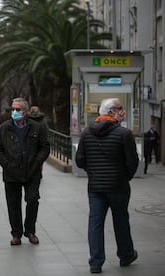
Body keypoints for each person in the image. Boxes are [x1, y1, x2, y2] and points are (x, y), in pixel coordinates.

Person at [75, 98, 139, 273]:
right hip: (119, 186)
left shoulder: (87, 133)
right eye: (120, 108)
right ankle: (126, 255)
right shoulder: (124, 134)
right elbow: (132, 162)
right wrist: (125, 176)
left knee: (95, 223)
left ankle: (95, 262)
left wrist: (93, 171)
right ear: (111, 112)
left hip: (95, 188)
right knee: (121, 221)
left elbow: (79, 161)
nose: (123, 112)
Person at [0, 97, 50, 246]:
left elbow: (45, 147)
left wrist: (36, 164)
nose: (15, 112)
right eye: (13, 109)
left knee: (32, 199)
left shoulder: (37, 127)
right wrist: (7, 164)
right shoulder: (4, 128)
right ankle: (16, 233)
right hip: (11, 173)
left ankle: (30, 231)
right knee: (13, 204)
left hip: (32, 172)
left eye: (18, 109)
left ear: (26, 111)